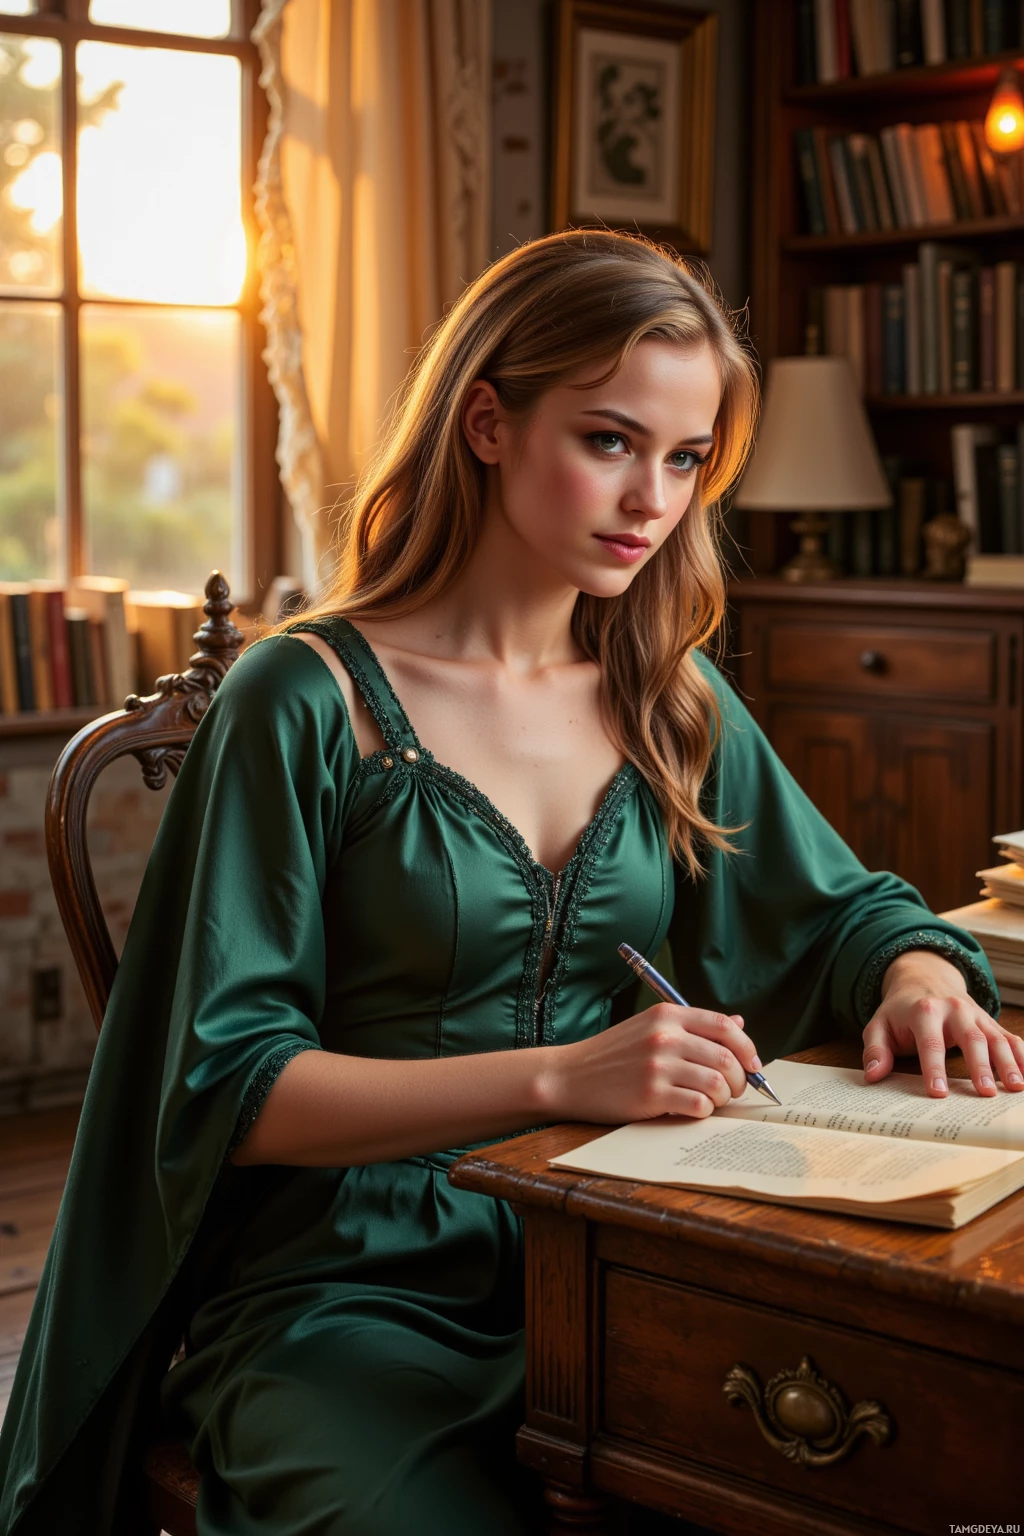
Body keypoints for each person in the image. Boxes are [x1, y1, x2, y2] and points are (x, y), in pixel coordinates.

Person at [1, 231, 1019, 1536]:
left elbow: (849, 907)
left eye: (686, 457)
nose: (652, 498)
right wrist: (563, 1077)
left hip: (625, 1262)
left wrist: (920, 972)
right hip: (347, 1291)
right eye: (609, 440)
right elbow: (225, 1087)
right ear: (487, 421)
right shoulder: (303, 700)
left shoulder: (669, 695)